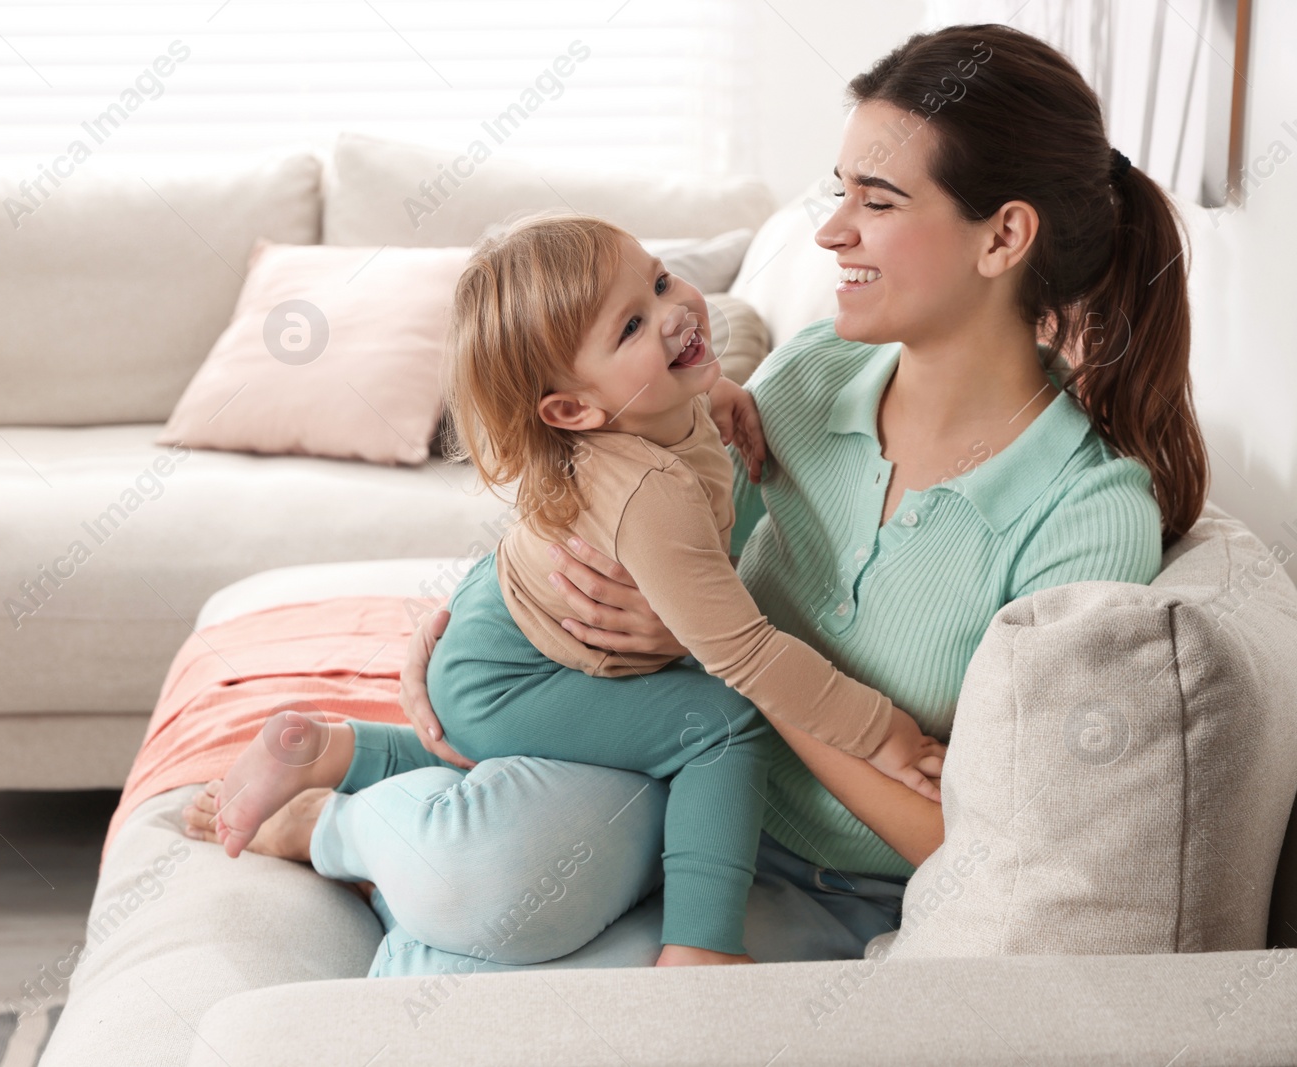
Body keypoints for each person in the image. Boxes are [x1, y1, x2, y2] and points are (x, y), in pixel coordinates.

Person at [184, 20, 1206, 977]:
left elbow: (981, 848)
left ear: (1002, 237)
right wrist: (472, 618)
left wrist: (727, 667)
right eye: (836, 191)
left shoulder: (1085, 517)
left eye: (878, 202)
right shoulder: (810, 378)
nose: (832, 233)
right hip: (671, 790)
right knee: (483, 876)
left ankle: (333, 830)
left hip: (829, 884)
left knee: (482, 938)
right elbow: (632, 502)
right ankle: (342, 813)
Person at [201, 212, 947, 969]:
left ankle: (337, 750)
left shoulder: (660, 409)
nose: (673, 312)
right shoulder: (647, 492)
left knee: (562, 766)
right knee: (722, 726)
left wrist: (720, 398)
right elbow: (743, 654)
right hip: (509, 675)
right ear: (573, 412)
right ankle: (701, 948)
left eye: (659, 281)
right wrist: (879, 730)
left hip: (505, 627)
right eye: (631, 326)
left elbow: (681, 421)